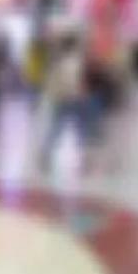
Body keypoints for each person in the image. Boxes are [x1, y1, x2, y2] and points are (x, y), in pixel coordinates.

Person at [38, 33, 93, 171]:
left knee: (57, 129)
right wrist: (81, 94)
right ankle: (83, 159)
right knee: (79, 131)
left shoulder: (59, 61)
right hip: (73, 100)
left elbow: (52, 82)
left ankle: (45, 155)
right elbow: (76, 82)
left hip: (61, 99)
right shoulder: (74, 62)